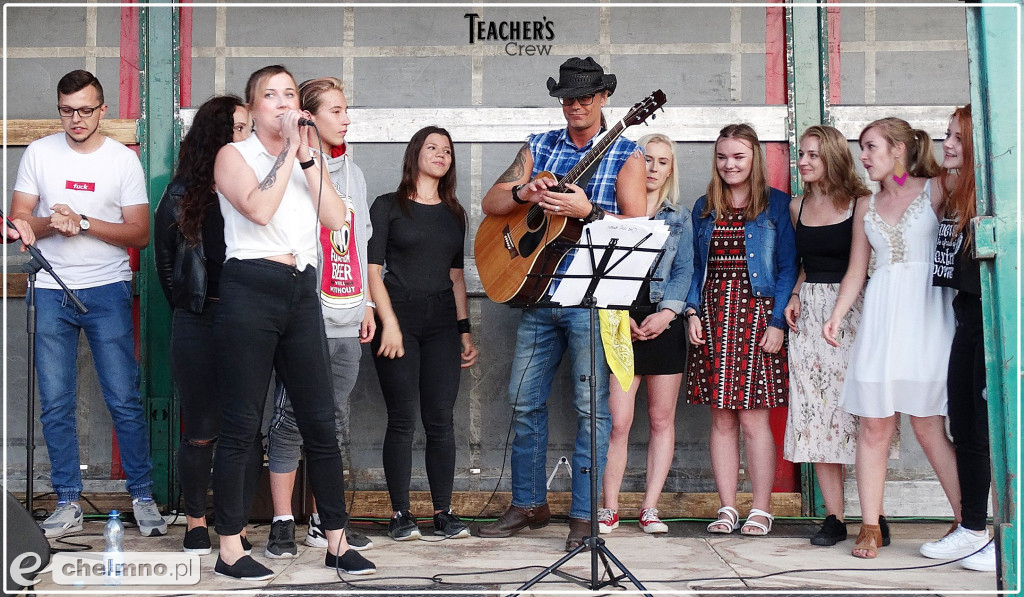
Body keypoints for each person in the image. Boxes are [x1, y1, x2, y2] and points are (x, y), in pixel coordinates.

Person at [210, 64, 374, 580]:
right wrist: (285, 154)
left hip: (303, 289)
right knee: (241, 424)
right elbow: (258, 210)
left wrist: (306, 158)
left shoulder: (310, 157)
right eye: (270, 96)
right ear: (255, 108)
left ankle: (337, 540)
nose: (282, 103)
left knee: (320, 420)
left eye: (289, 94)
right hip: (250, 286)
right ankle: (231, 547)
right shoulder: (232, 156)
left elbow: (334, 220)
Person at [477, 56, 646, 552]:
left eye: (586, 97)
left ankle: (583, 515)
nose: (576, 104)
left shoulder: (627, 152)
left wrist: (588, 210)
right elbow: (492, 203)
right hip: (537, 293)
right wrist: (525, 191)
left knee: (591, 409)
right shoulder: (539, 146)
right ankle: (529, 502)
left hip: (591, 300)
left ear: (604, 99)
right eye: (569, 97)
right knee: (522, 399)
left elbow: (637, 227)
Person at [10, 70, 167, 540]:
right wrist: (47, 225)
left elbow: (139, 233)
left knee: (122, 398)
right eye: (66, 109)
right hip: (50, 289)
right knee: (55, 403)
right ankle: (66, 500)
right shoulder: (39, 152)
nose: (75, 119)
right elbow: (19, 220)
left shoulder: (122, 161)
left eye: (84, 109)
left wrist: (84, 222)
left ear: (102, 111)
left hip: (106, 289)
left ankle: (142, 497)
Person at [824, 117, 959, 559]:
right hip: (882, 317)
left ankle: (967, 520)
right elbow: (857, 269)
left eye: (871, 147)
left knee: (926, 424)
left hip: (927, 318)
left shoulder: (935, 189)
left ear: (899, 149)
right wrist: (837, 315)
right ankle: (869, 526)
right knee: (875, 424)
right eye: (861, 148)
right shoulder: (867, 204)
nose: (863, 156)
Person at [262, 77, 376, 559]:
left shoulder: (355, 173)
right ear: (308, 116)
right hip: (306, 315)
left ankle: (323, 524)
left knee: (334, 423)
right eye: (335, 110)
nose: (345, 118)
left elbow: (361, 239)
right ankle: (283, 520)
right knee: (291, 420)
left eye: (346, 109)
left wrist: (368, 301)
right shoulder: (291, 165)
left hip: (348, 314)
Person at [782, 125, 899, 547]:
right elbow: (803, 262)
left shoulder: (860, 203)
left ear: (832, 156)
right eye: (801, 154)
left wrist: (838, 313)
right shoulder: (797, 206)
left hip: (854, 312)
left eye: (813, 155)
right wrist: (795, 294)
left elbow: (856, 265)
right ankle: (834, 517)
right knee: (817, 414)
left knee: (862, 415)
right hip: (810, 313)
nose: (804, 162)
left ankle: (876, 515)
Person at [154, 95, 261, 555]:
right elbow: (165, 265)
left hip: (248, 318)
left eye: (247, 128)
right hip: (198, 319)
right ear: (215, 135)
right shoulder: (180, 194)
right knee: (200, 427)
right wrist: (191, 305)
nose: (245, 136)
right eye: (238, 128)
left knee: (245, 428)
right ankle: (196, 520)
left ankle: (232, 525)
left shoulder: (253, 185)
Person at [684, 123, 796, 538]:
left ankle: (762, 507)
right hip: (714, 316)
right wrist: (691, 312)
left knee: (753, 420)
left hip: (756, 317)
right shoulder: (704, 207)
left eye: (739, 157)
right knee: (721, 419)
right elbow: (696, 268)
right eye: (722, 157)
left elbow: (787, 267)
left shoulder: (776, 205)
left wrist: (778, 322)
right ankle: (728, 505)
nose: (730, 164)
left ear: (754, 160)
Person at [368, 126, 478, 541]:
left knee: (441, 420)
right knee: (401, 420)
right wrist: (389, 323)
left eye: (447, 150)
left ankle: (443, 512)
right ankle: (400, 513)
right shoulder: (388, 207)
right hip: (398, 319)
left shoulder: (454, 213)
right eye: (432, 148)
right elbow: (372, 272)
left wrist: (463, 330)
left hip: (441, 323)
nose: (441, 154)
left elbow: (455, 276)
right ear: (415, 154)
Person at [598, 133, 693, 535]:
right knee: (618, 422)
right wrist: (619, 315)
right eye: (646, 160)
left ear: (671, 169)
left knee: (660, 419)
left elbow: (685, 270)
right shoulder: (613, 211)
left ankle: (650, 507)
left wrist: (669, 312)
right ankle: (609, 507)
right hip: (621, 324)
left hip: (664, 326)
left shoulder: (679, 217)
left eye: (662, 162)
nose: (652, 169)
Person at [920, 105, 996, 571]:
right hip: (965, 317)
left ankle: (1006, 532)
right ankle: (971, 528)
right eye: (945, 135)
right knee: (964, 428)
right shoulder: (950, 188)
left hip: (994, 321)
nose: (946, 144)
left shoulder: (993, 194)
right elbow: (900, 184)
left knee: (993, 431)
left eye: (957, 137)